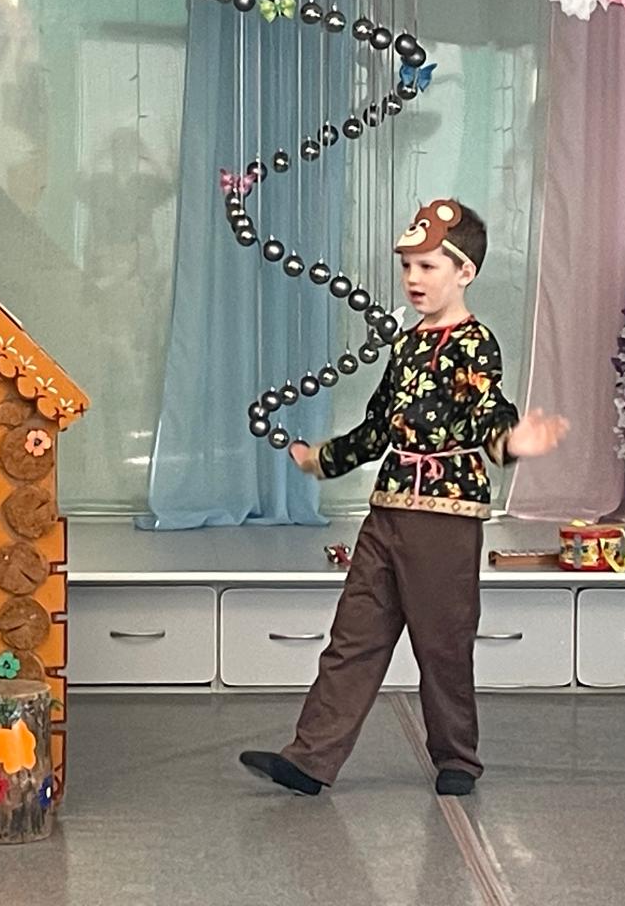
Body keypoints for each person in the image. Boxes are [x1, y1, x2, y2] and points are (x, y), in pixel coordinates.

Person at [239, 199, 568, 797]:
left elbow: (487, 408)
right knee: (354, 637)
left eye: (428, 266)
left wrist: (512, 440)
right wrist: (324, 459)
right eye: (408, 267)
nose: (414, 279)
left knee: (442, 643)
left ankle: (457, 758)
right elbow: (379, 426)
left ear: (464, 273)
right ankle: (311, 758)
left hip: (445, 517)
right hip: (388, 509)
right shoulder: (408, 345)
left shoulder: (474, 343)